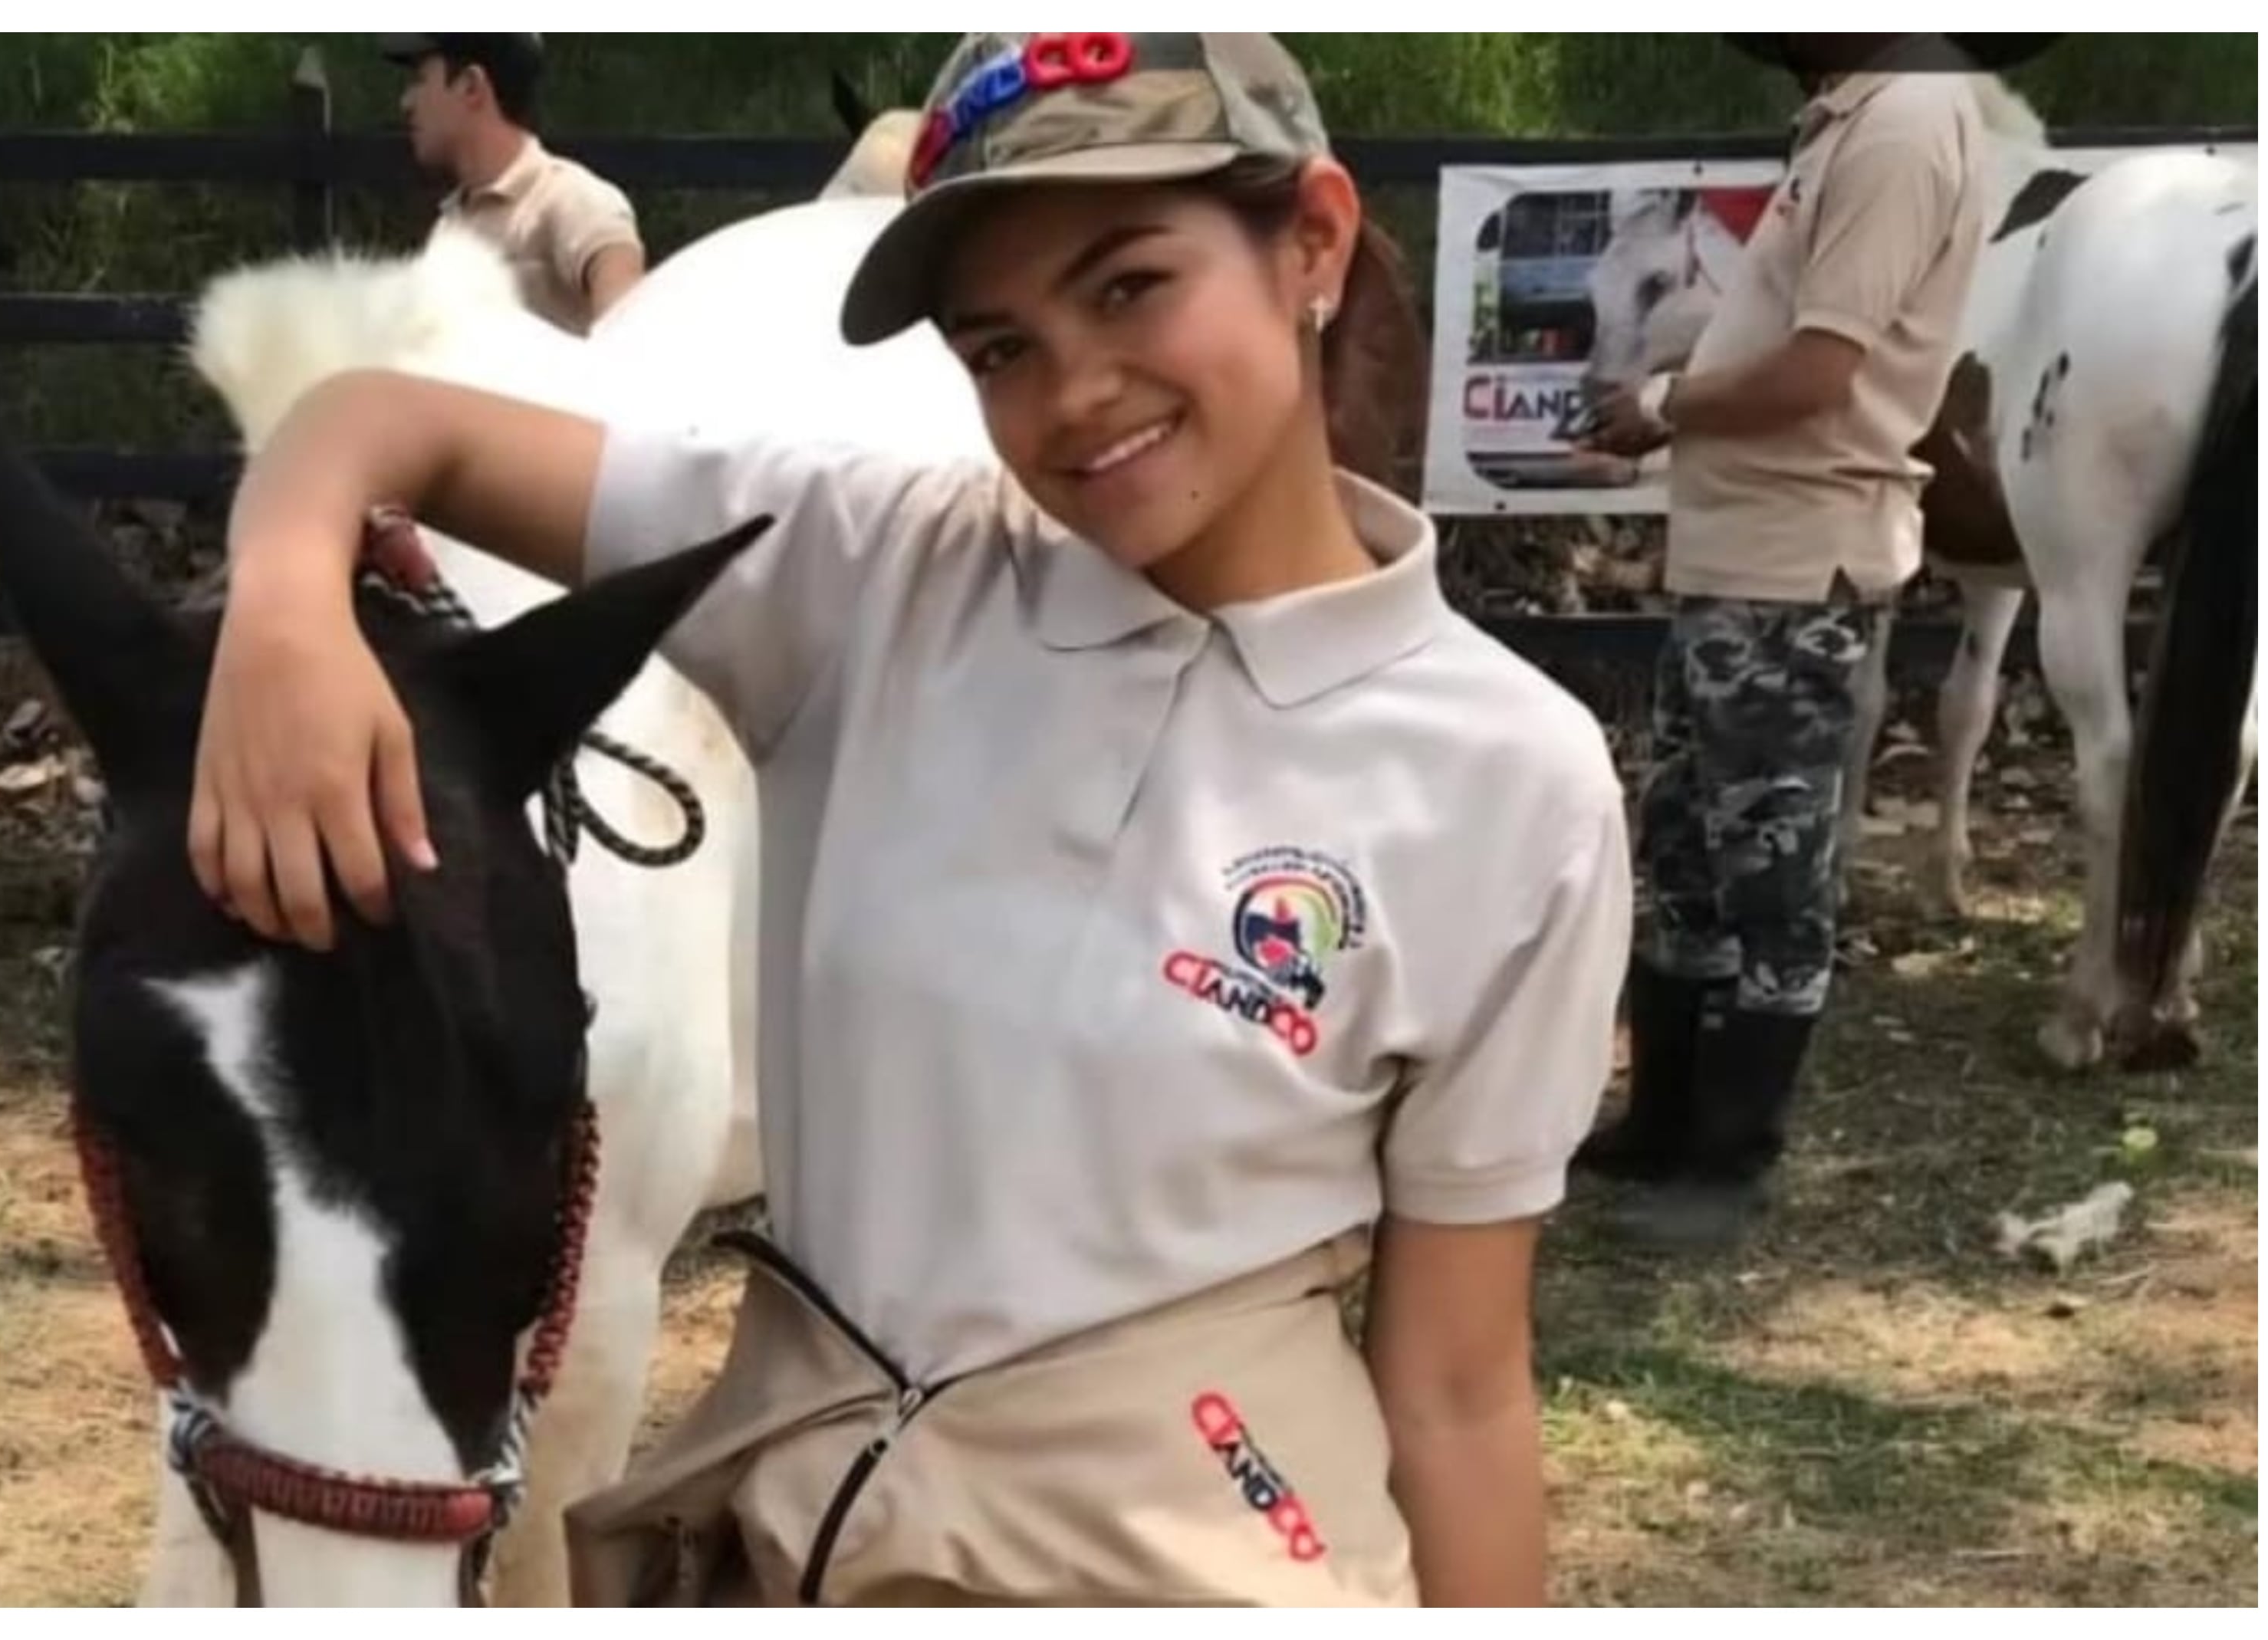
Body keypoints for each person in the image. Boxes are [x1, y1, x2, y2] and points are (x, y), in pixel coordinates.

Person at [192, 32, 1632, 1606]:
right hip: (822, 1525)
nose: (1076, 390)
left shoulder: (1511, 782)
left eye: (1132, 284)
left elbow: (1458, 1383)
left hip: (1200, 1555)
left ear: (1315, 241)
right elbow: (387, 421)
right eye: (999, 345)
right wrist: (283, 611)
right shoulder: (872, 576)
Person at [1572, 35, 2002, 1249]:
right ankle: (1665, 1118)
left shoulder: (1906, 124)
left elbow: (1820, 370)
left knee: (1772, 863)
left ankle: (1732, 1159)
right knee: (1689, 842)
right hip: (1738, 548)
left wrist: (1659, 408)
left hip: (1794, 557)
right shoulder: (1855, 116)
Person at [383, 32, 646, 335]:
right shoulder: (449, 226)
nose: (406, 102)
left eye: (419, 79)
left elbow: (629, 333)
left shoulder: (571, 198)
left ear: (471, 86)